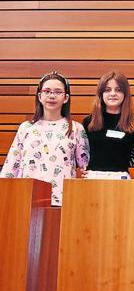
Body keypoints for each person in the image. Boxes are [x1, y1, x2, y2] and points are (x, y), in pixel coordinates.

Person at [0, 72, 89, 205]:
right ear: (40, 96)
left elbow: (85, 169)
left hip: (61, 201)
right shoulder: (26, 128)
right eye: (47, 91)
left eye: (58, 92)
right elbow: (11, 166)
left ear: (66, 98)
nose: (51, 96)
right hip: (25, 200)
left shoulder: (76, 129)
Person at [83, 71, 134, 179]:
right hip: (92, 178)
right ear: (101, 93)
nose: (113, 93)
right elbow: (83, 152)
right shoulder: (89, 122)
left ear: (125, 94)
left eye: (118, 90)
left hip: (120, 179)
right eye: (107, 90)